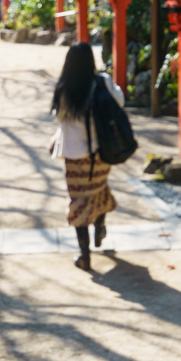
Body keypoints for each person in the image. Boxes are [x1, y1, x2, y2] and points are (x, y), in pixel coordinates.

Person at [49, 42, 124, 271]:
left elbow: (59, 118)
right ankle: (100, 225)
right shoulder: (102, 83)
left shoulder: (64, 89)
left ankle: (85, 255)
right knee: (99, 189)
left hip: (74, 157)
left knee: (79, 200)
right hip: (101, 153)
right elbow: (120, 101)